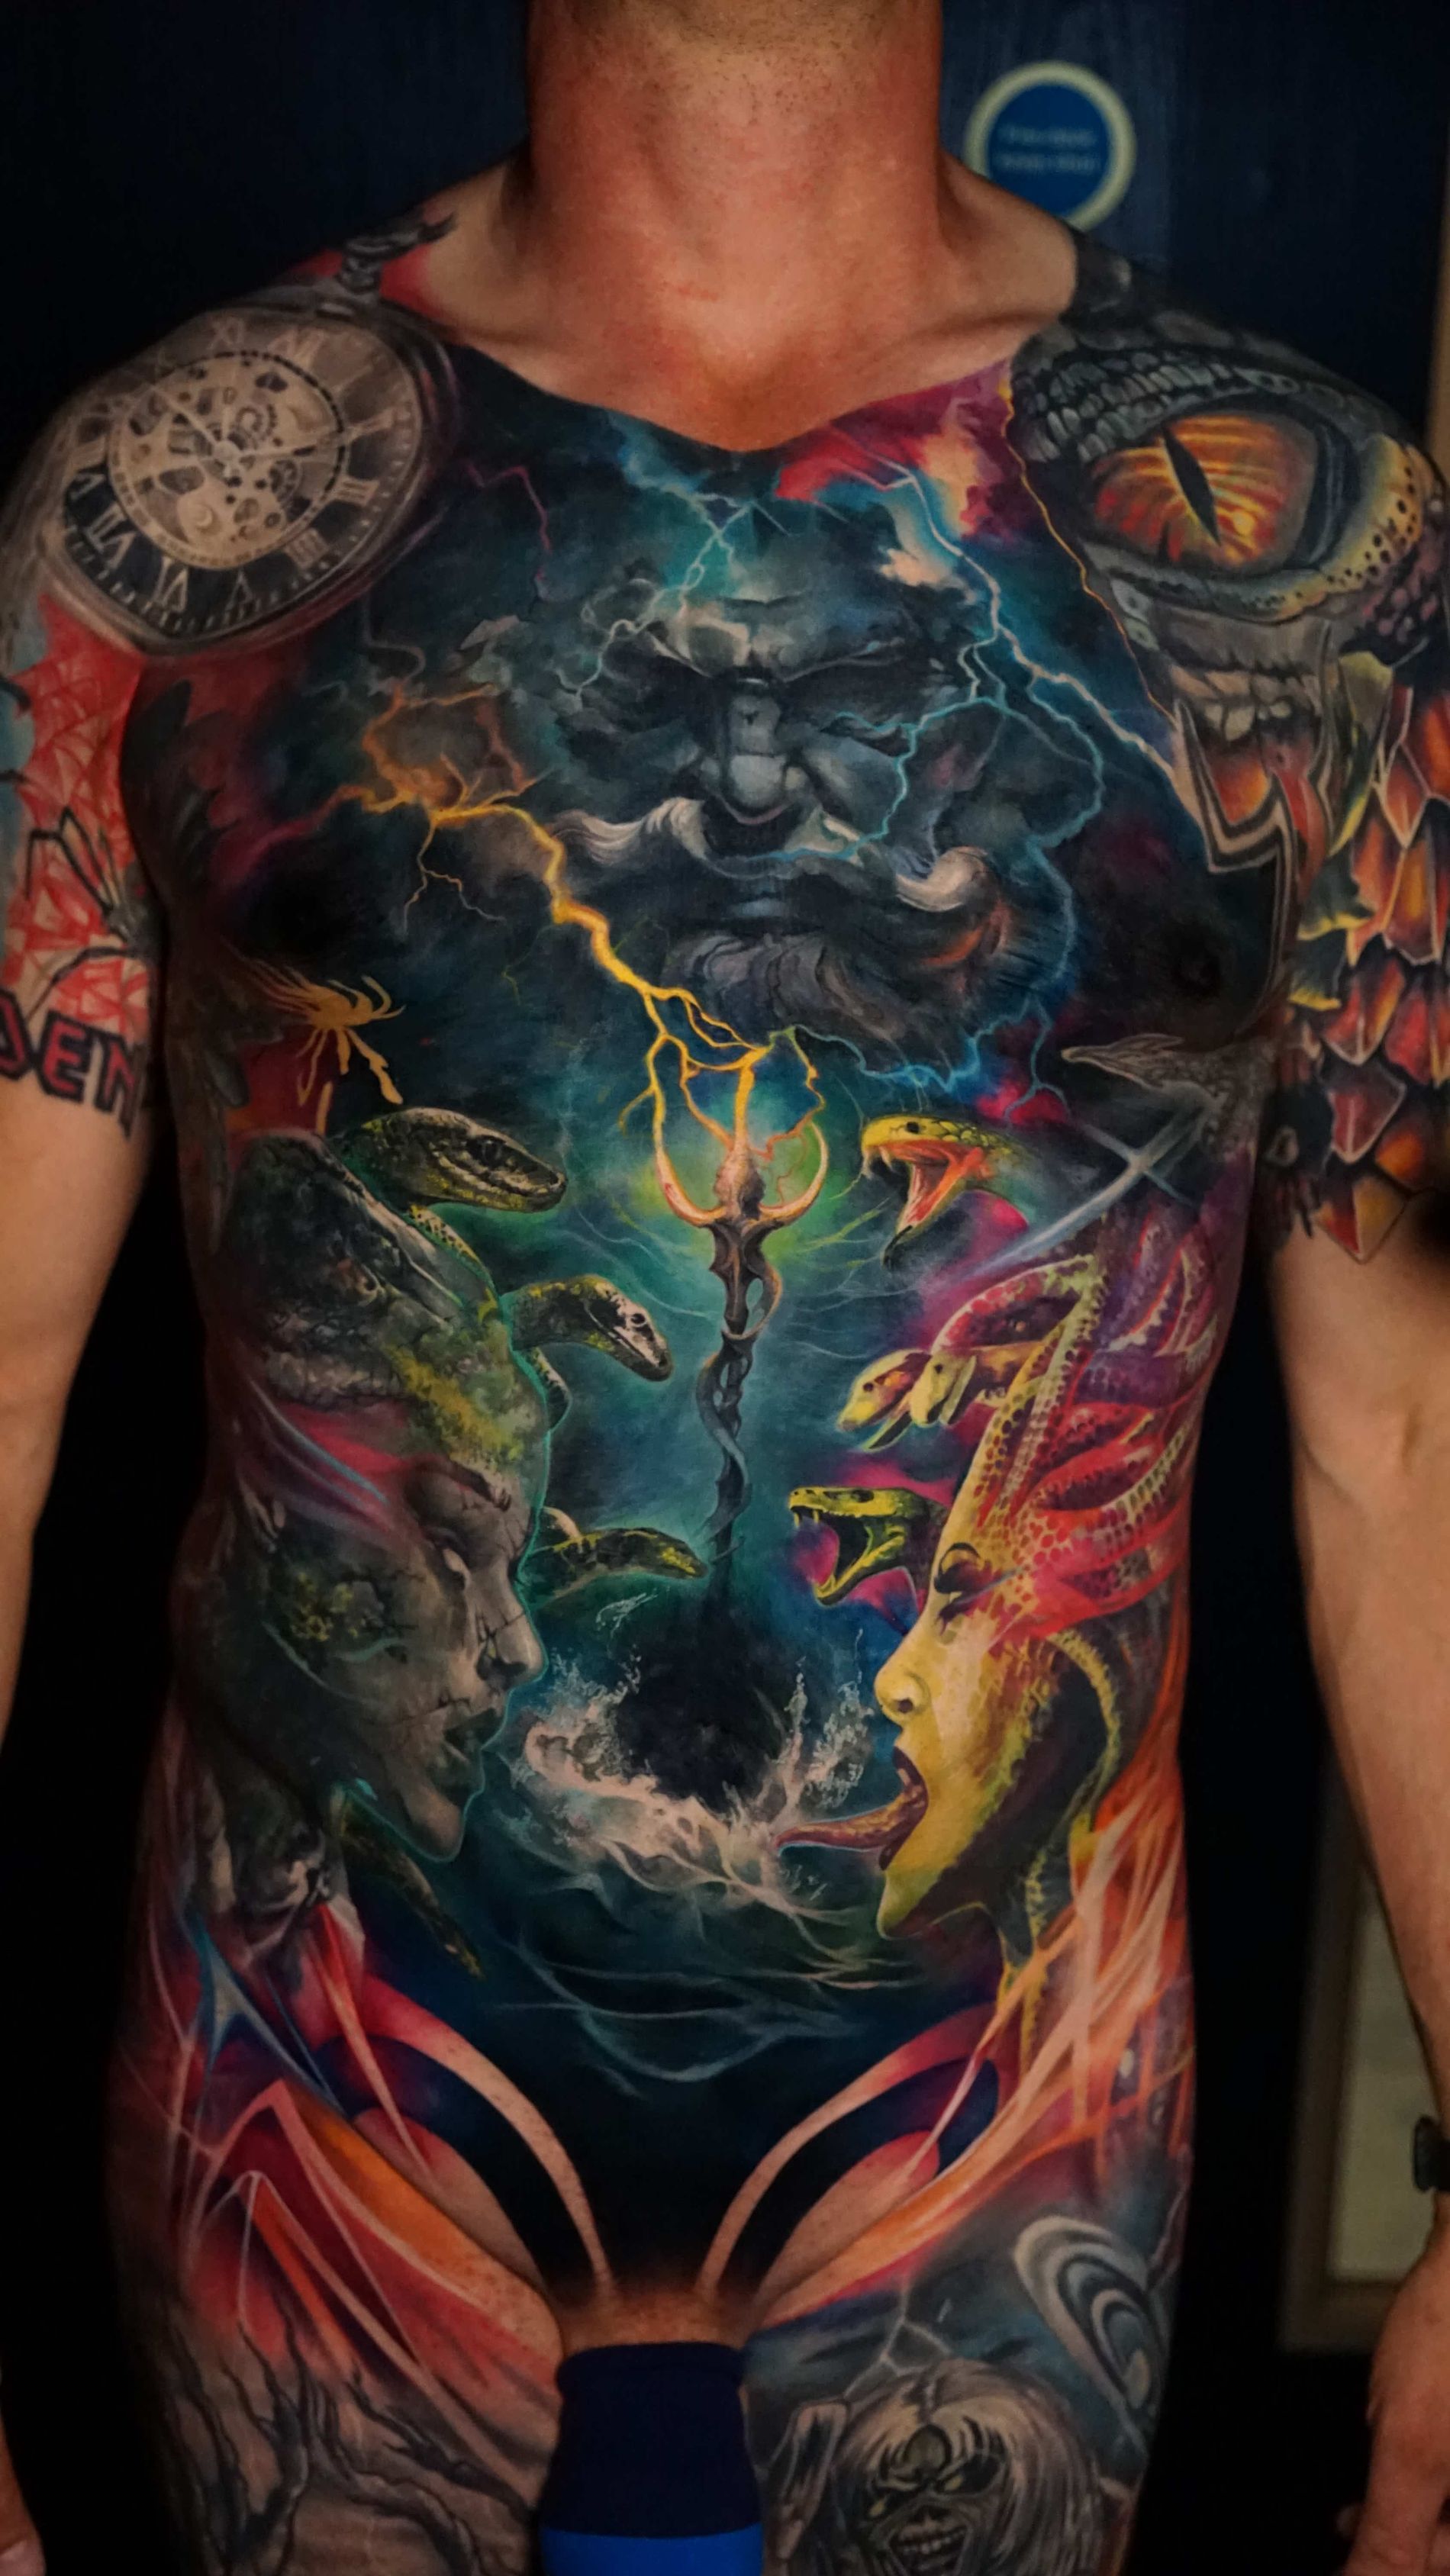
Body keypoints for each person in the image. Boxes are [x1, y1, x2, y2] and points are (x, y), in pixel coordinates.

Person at [2, 1, 1448, 2568]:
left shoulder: (1296, 556)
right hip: (318, 2063)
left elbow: (1405, 1444)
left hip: (1000, 2107)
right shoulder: (182, 514)